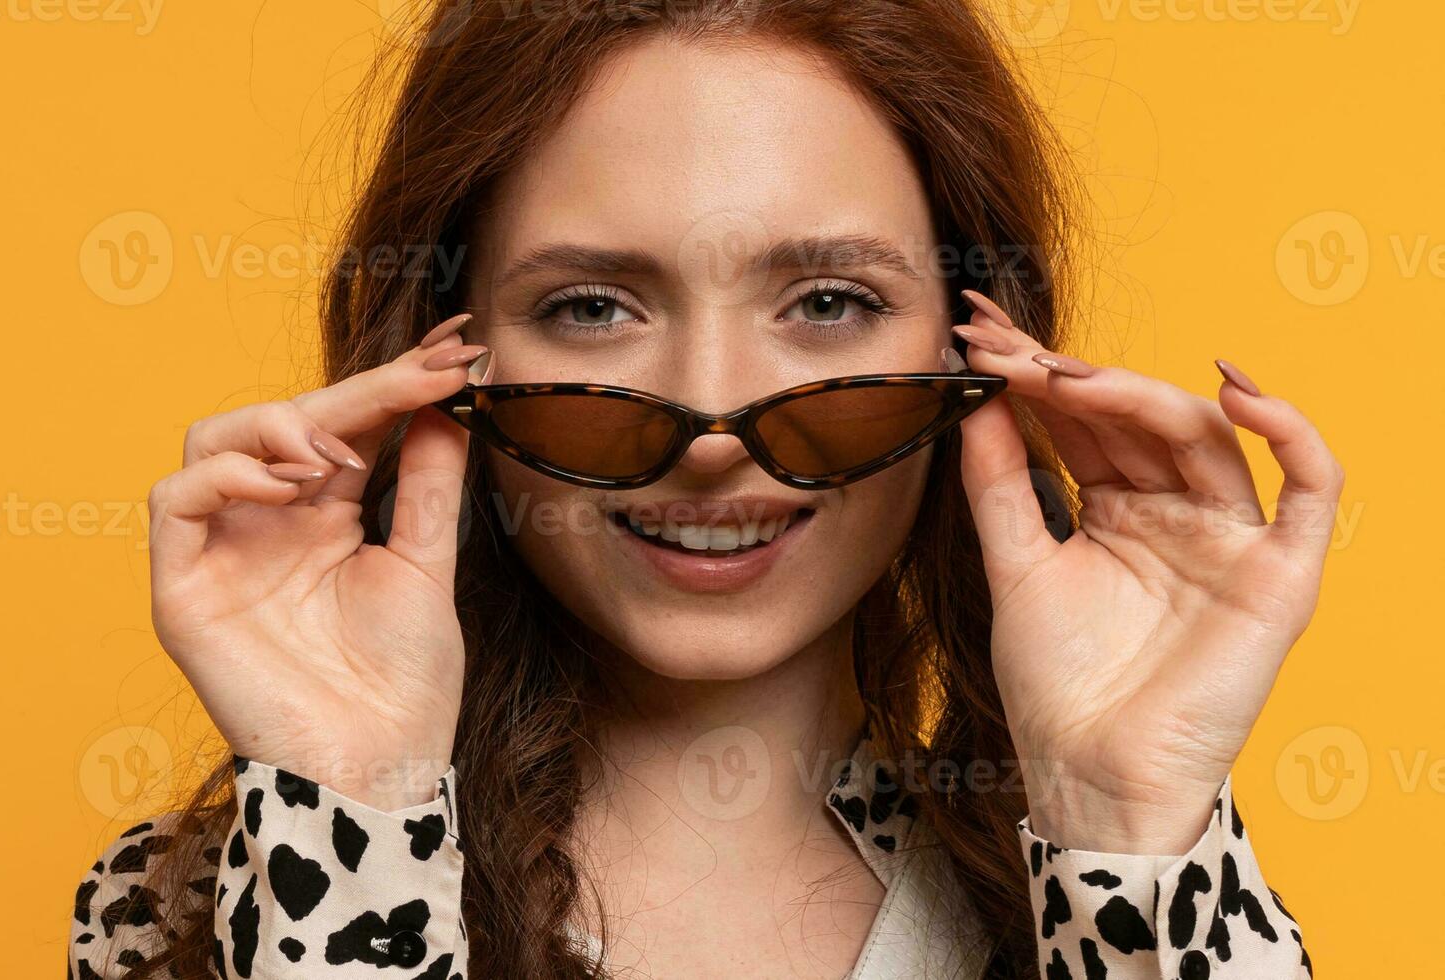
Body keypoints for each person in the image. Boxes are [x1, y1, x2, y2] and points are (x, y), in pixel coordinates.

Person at [68, 1, 1336, 976]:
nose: (713, 426)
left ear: (973, 345)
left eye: (829, 301)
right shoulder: (190, 910)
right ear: (446, 352)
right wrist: (350, 812)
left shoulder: (1130, 884)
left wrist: (1130, 822)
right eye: (592, 306)